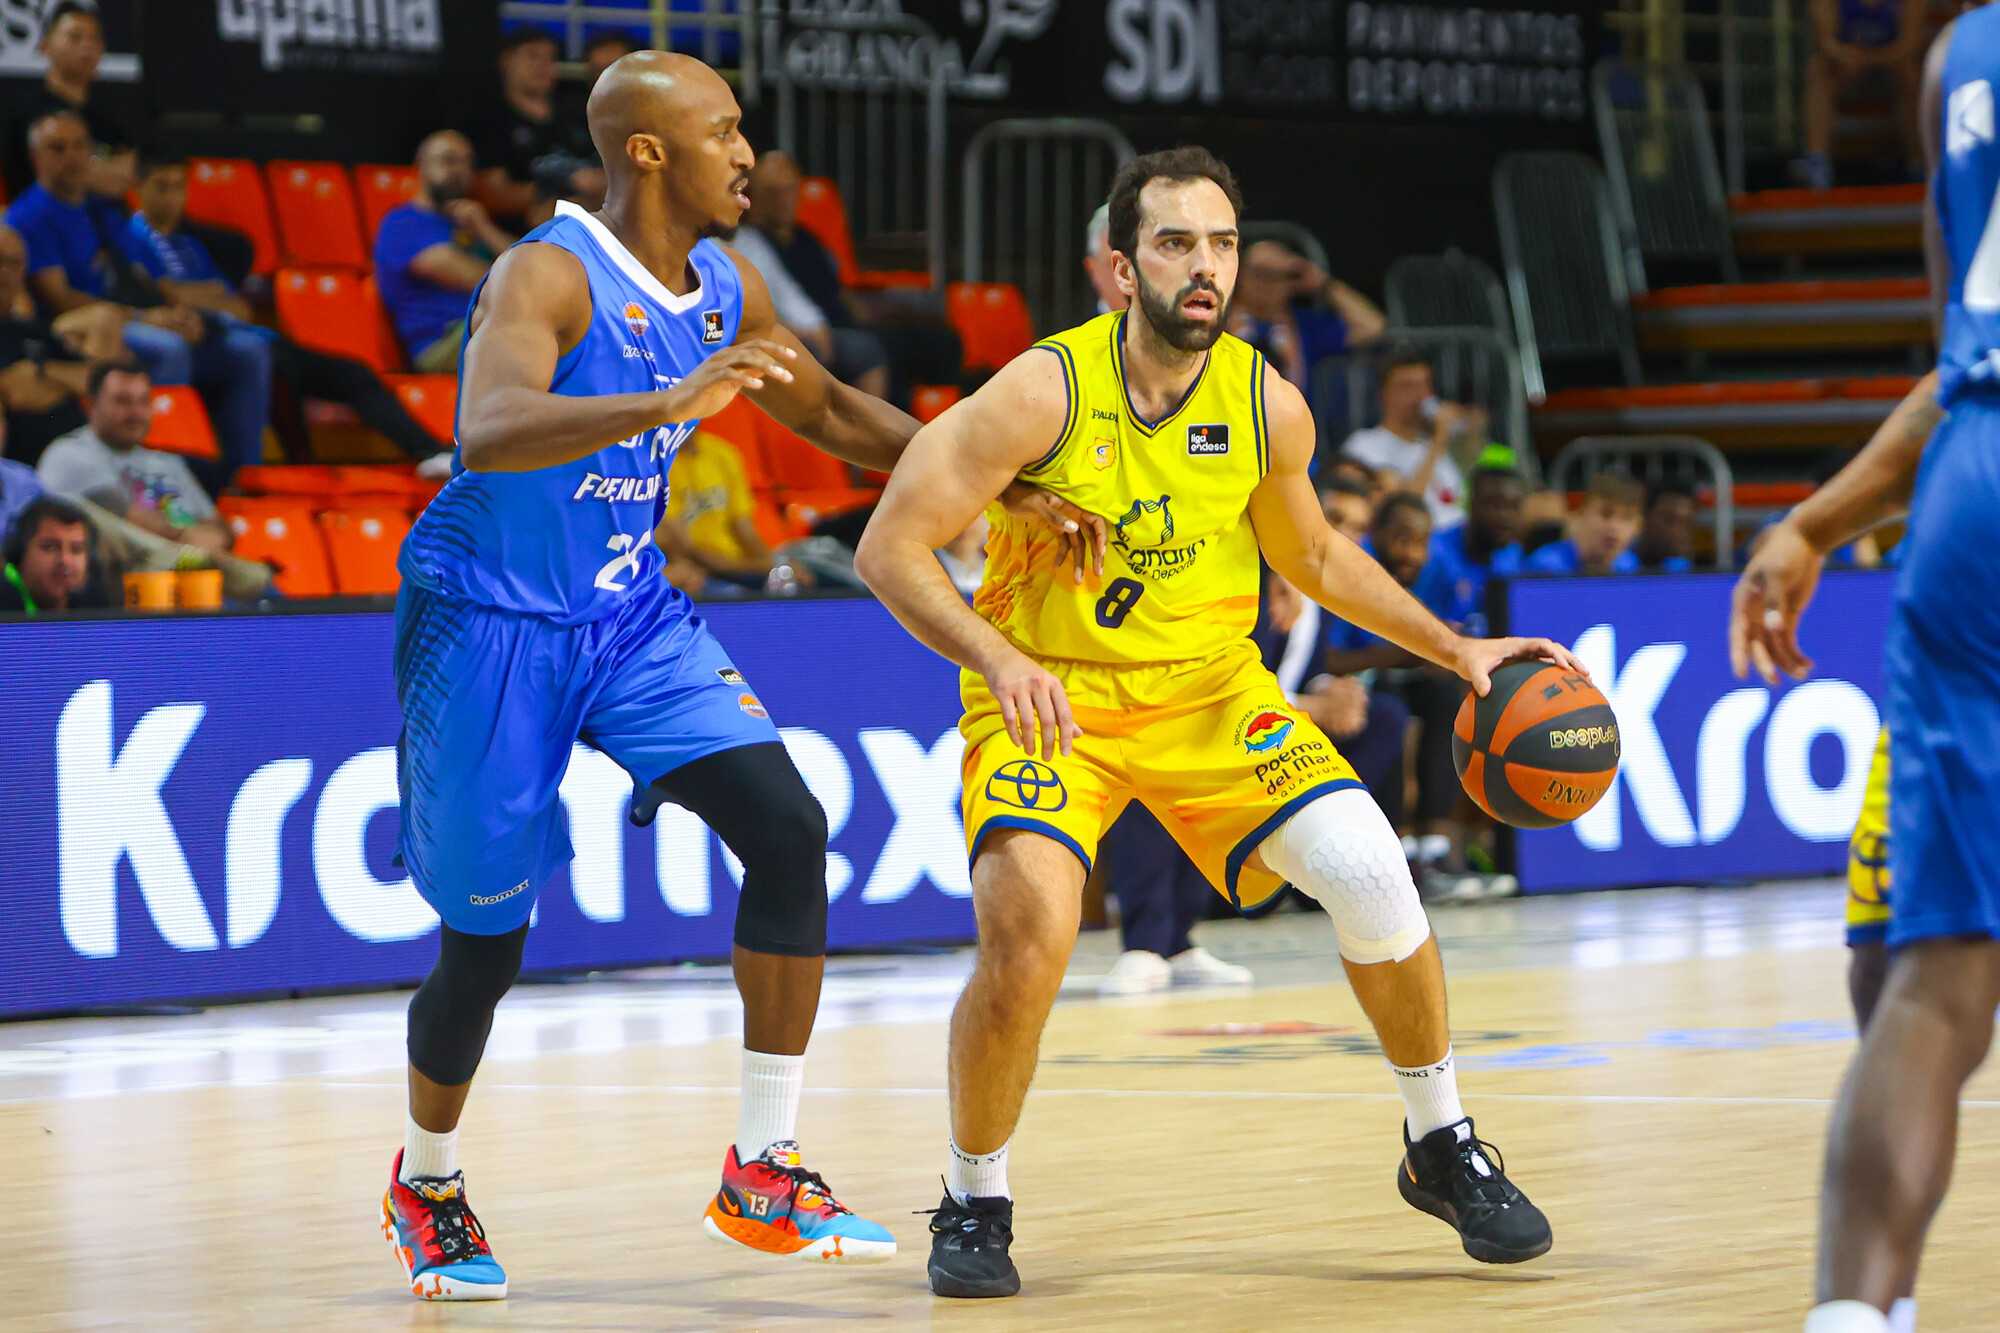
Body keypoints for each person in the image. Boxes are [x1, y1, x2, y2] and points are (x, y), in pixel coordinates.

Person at [379, 50, 1087, 1301]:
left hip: (627, 616)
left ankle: (763, 1166)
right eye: (723, 131)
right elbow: (486, 429)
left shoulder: (726, 284)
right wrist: (666, 398)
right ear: (648, 151)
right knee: (482, 948)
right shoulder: (548, 271)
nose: (747, 154)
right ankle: (426, 1179)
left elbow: (828, 410)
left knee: (788, 826)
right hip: (490, 622)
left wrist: (997, 483)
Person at [856, 146, 1571, 1299]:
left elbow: (1316, 556)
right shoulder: (1041, 391)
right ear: (1119, 268)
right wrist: (995, 656)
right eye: (1175, 243)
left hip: (1208, 692)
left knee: (1371, 872)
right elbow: (889, 546)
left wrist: (1457, 649)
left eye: (1223, 244)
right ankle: (973, 1195)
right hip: (1052, 698)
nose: (1204, 266)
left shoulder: (1262, 400)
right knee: (1027, 939)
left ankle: (1438, 1143)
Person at [1734, 9, 2000, 1327]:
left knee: (1931, 980)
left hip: (1973, 492)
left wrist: (1808, 523)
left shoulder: (1961, 54)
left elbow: (1963, 357)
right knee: (1891, 961)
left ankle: (1854, 1312)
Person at [126, 157, 453, 475]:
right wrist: (201, 295)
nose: (172, 196)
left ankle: (429, 451)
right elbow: (157, 294)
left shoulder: (191, 247)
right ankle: (298, 470)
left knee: (354, 373)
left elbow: (239, 308)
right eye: (161, 186)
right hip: (213, 345)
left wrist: (183, 293)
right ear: (138, 188)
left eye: (179, 186)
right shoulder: (130, 240)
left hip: (248, 335)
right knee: (276, 369)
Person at [7, 111, 271, 480]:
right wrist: (144, 318)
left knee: (248, 351)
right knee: (168, 348)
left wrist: (177, 312)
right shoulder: (29, 216)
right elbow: (61, 298)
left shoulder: (103, 210)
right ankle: (158, 474)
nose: (72, 156)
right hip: (80, 331)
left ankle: (248, 478)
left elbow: (145, 279)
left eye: (80, 146)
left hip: (138, 316)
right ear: (36, 158)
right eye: (58, 148)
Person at [1320, 492, 1481, 888]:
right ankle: (1398, 843)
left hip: (1406, 679)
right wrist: (1400, 654)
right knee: (1388, 710)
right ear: (1375, 535)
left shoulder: (1438, 571)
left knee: (1447, 699)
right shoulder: (1351, 572)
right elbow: (1328, 659)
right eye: (1401, 539)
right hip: (1351, 688)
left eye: (1420, 542)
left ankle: (1435, 843)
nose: (1412, 553)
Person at [737, 151, 958, 404]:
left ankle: (944, 412)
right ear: (754, 195)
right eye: (773, 192)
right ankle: (890, 420)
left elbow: (837, 287)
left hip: (843, 322)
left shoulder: (806, 238)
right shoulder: (751, 244)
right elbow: (769, 304)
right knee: (878, 348)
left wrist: (865, 313)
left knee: (942, 341)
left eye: (790, 190)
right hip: (817, 331)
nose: (783, 199)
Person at [375, 131, 518, 374]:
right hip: (441, 344)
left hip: (485, 329)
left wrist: (486, 230)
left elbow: (530, 260)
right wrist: (528, 278)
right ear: (420, 166)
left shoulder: (471, 223)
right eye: (448, 161)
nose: (459, 170)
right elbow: (481, 280)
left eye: (467, 163)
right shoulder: (403, 224)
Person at [472, 28, 605, 228]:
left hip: (597, 214)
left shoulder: (581, 111)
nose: (543, 65)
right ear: (507, 60)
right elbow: (494, 193)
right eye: (532, 56)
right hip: (527, 226)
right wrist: (564, 185)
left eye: (550, 58)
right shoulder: (491, 120)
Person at [3, 1, 136, 201]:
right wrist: (95, 171)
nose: (86, 46)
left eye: (94, 38)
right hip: (41, 217)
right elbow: (55, 178)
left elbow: (126, 175)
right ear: (46, 45)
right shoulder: (28, 114)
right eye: (75, 37)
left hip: (98, 218)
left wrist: (85, 172)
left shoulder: (107, 121)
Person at [1341, 348, 1476, 528]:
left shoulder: (1432, 447)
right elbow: (1402, 510)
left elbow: (1460, 502)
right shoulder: (1364, 445)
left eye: (1425, 385)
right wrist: (1438, 441)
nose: (1420, 396)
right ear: (1384, 395)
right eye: (1407, 386)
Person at [1802, 0, 1929, 189]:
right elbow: (1826, 41)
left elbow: (1911, 43)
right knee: (1819, 69)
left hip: (1892, 66)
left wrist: (1874, 58)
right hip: (1849, 69)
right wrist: (1848, 57)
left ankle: (1920, 163)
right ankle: (1817, 160)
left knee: (1910, 73)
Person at [1227, 237, 1384, 389]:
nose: (1267, 284)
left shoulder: (1306, 325)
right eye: (1259, 273)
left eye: (1278, 276)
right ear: (1239, 275)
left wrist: (1324, 284)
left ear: (1293, 282)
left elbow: (1372, 327)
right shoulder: (1218, 320)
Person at [0, 225, 92, 467]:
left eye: (14, 263)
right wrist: (63, 385)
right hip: (18, 466)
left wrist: (43, 372)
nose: (5, 272)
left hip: (80, 457)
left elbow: (91, 380)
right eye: (0, 261)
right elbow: (15, 391)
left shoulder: (35, 330)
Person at [657, 426, 774, 593]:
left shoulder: (721, 452)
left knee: (801, 574)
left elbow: (744, 529)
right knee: (732, 594)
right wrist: (757, 568)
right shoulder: (656, 465)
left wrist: (774, 567)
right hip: (704, 572)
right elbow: (685, 547)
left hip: (738, 566)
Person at [1421, 465, 1525, 637]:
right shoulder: (1434, 553)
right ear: (1472, 504)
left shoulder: (1512, 555)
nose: (1506, 516)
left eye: (1514, 507)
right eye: (1496, 505)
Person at [1522, 473, 1646, 575]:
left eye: (1627, 518)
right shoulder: (1545, 565)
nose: (1615, 526)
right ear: (1581, 514)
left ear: (1638, 526)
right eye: (1605, 514)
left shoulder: (1631, 566)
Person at [0, 491, 103, 612]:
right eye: (49, 548)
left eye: (76, 549)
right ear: (20, 552)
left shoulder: (95, 604)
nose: (65, 560)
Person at [1634, 477, 1698, 573]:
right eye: (1670, 520)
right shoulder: (1619, 566)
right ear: (1645, 519)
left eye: (1687, 523)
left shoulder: (1683, 569)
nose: (1679, 531)